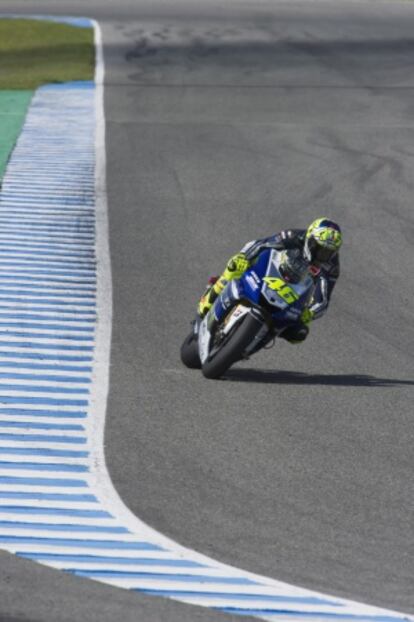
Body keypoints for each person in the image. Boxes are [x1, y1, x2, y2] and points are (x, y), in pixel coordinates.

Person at [197, 217, 342, 343]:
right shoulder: (293, 236)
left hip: (293, 293)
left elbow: (323, 299)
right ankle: (208, 301)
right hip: (270, 272)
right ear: (310, 238)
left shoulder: (331, 266)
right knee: (234, 266)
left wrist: (309, 313)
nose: (322, 254)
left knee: (299, 334)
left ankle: (260, 337)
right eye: (319, 248)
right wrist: (245, 258)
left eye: (329, 252)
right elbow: (261, 244)